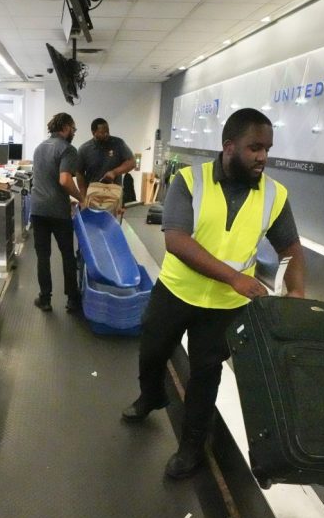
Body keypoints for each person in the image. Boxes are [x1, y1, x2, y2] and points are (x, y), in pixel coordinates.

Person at [121, 108, 306, 479]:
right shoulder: (190, 181)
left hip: (225, 308)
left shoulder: (274, 194)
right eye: (254, 147)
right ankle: (151, 395)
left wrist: (297, 289)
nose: (262, 157)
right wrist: (234, 278)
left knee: (206, 375)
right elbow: (176, 240)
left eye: (267, 148)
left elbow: (290, 246)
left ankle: (191, 447)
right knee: (152, 351)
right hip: (176, 291)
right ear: (228, 146)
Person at [30, 112, 82, 312]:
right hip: (58, 211)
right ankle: (72, 300)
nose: (74, 133)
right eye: (73, 129)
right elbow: (64, 180)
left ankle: (45, 299)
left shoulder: (39, 147)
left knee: (43, 256)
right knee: (67, 254)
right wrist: (81, 198)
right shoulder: (68, 149)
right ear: (66, 127)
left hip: (37, 209)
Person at [76, 118, 135, 188]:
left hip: (114, 191)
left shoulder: (118, 143)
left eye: (107, 131)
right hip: (94, 192)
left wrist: (114, 172)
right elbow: (79, 173)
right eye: (102, 132)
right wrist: (83, 196)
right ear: (93, 132)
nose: (106, 134)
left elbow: (132, 162)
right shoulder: (84, 149)